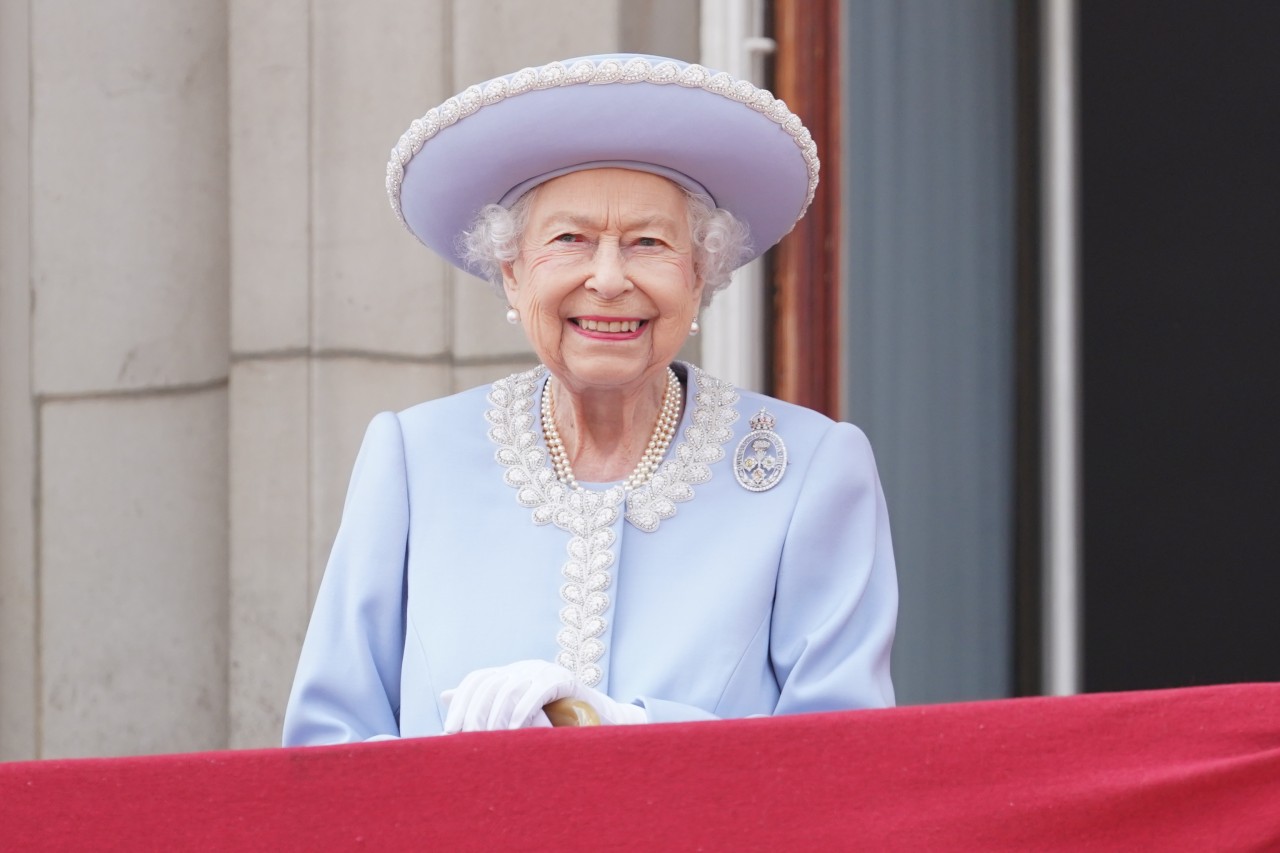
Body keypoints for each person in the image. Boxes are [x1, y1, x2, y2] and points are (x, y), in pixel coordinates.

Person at [283, 54, 897, 743]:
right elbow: (326, 746)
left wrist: (630, 731)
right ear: (512, 273)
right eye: (570, 239)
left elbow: (846, 759)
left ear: (700, 276)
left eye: (648, 243)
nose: (608, 278)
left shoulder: (811, 471)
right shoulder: (413, 459)